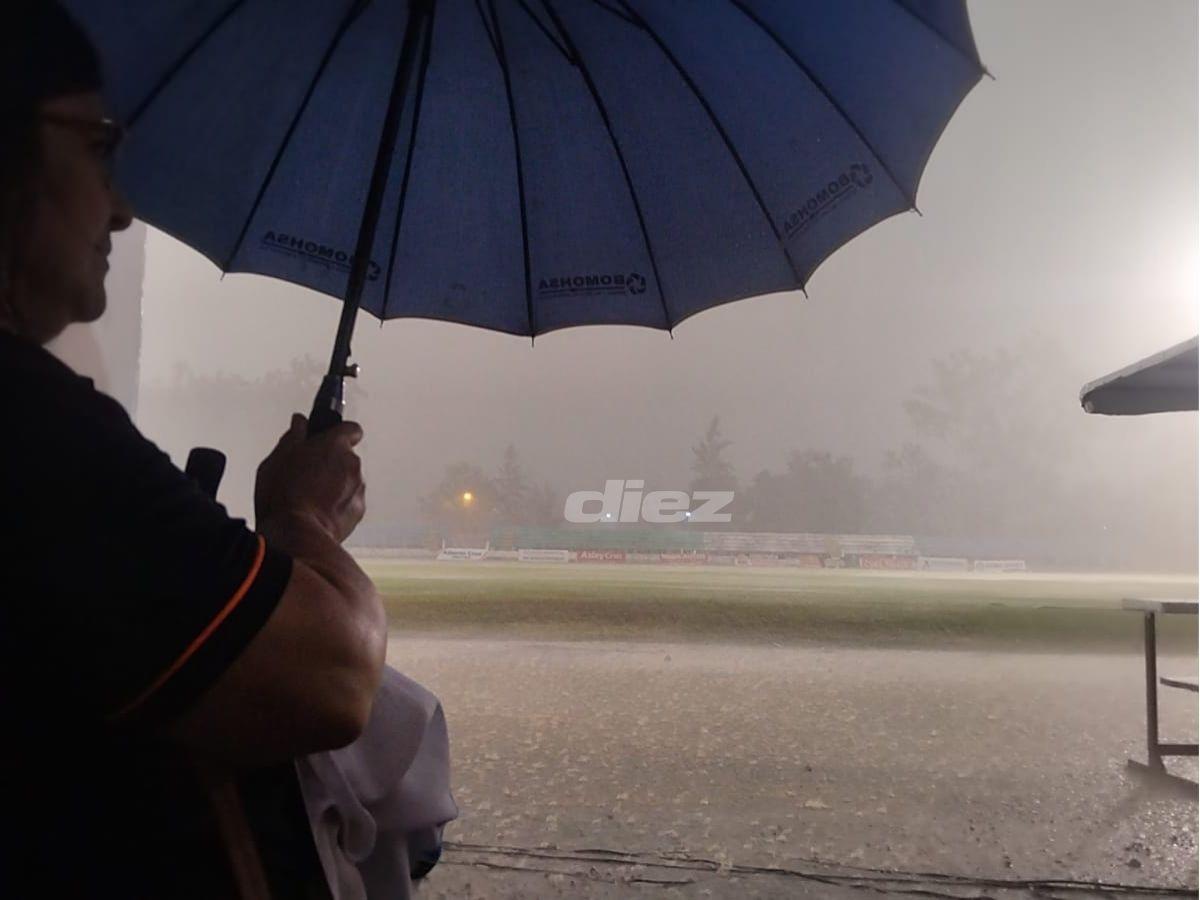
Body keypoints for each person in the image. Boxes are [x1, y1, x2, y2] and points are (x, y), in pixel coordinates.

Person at [0, 6, 407, 896]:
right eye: (99, 147)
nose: (120, 206)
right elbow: (334, 675)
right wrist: (304, 517)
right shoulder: (30, 433)